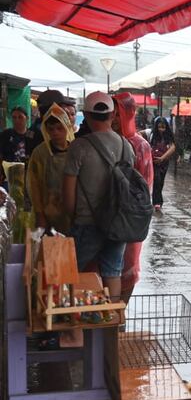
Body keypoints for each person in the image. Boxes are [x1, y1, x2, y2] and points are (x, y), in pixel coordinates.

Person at [63, 91, 135, 300]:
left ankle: (77, 322)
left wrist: (70, 219)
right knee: (112, 273)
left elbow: (69, 194)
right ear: (112, 116)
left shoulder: (79, 147)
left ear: (86, 115)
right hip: (116, 223)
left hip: (87, 223)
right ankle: (109, 325)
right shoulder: (126, 146)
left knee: (73, 273)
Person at [112, 93, 154, 302]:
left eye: (117, 114)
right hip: (106, 218)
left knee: (127, 266)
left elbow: (144, 187)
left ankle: (119, 314)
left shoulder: (140, 146)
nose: (113, 119)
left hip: (130, 218)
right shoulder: (105, 141)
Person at [26, 103, 75, 234]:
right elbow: (34, 187)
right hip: (47, 216)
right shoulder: (40, 153)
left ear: (67, 127)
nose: (55, 133)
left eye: (60, 128)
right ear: (45, 130)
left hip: (73, 216)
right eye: (51, 129)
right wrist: (40, 215)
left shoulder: (76, 151)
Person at [149, 116, 176, 211]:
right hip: (154, 162)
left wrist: (162, 158)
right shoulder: (151, 134)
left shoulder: (168, 136)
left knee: (161, 181)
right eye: (159, 127)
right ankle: (157, 202)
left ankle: (158, 200)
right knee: (157, 179)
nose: (161, 129)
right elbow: (139, 134)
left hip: (164, 162)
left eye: (163, 127)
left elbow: (173, 148)